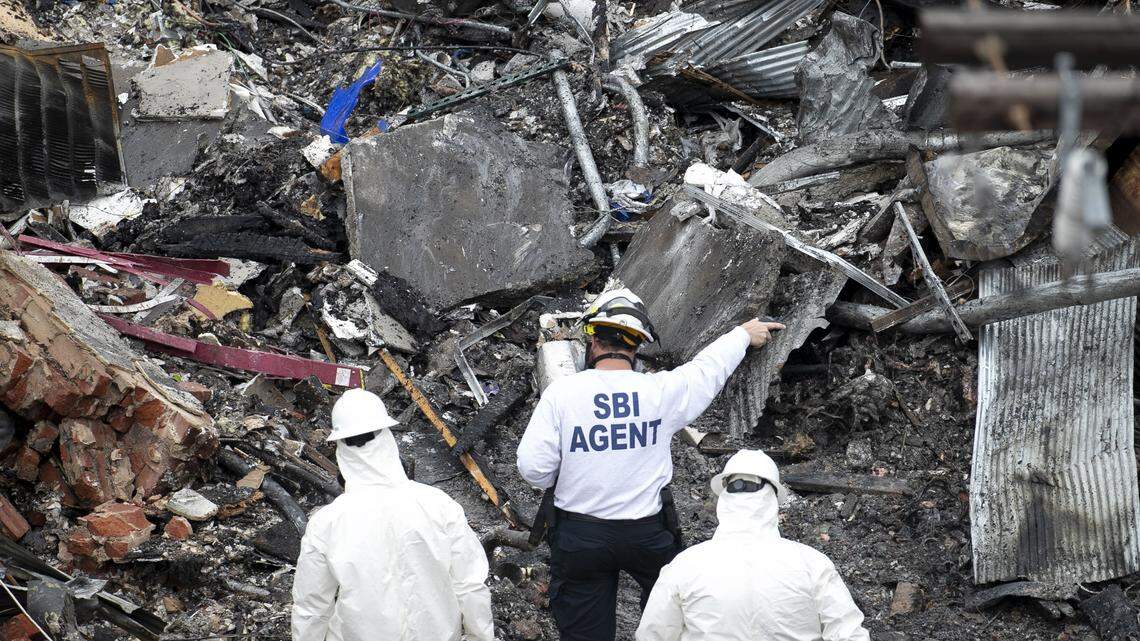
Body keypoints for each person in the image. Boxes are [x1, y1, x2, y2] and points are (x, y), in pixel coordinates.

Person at [517, 287, 785, 641]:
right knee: (671, 617)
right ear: (636, 347)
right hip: (646, 535)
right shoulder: (659, 391)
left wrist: (576, 468)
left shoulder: (563, 394)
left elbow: (533, 468)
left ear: (592, 341)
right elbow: (705, 371)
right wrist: (741, 335)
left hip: (581, 537)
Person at [291, 388, 493, 641]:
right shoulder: (438, 505)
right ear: (387, 438)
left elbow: (311, 608)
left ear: (341, 449)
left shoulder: (327, 523)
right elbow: (471, 586)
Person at [635, 450, 870, 641]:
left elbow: (652, 634)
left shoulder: (685, 566)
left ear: (724, 500)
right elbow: (849, 633)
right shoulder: (812, 564)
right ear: (773, 501)